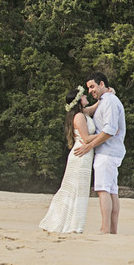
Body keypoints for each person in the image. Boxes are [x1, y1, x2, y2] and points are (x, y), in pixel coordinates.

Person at [38, 86, 99, 234]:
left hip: (85, 154)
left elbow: (93, 108)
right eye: (83, 95)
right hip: (81, 154)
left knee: (79, 189)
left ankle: (73, 224)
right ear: (78, 100)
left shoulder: (83, 113)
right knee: (76, 189)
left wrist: (105, 96)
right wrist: (106, 134)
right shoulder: (79, 116)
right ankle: (72, 225)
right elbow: (86, 138)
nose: (86, 96)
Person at [76, 71, 126, 234]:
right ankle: (112, 229)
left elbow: (109, 130)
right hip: (110, 152)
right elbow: (87, 112)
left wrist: (89, 146)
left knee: (103, 189)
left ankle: (105, 228)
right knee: (111, 190)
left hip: (107, 152)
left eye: (92, 87)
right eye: (88, 88)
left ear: (102, 84)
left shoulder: (110, 101)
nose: (90, 91)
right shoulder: (105, 100)